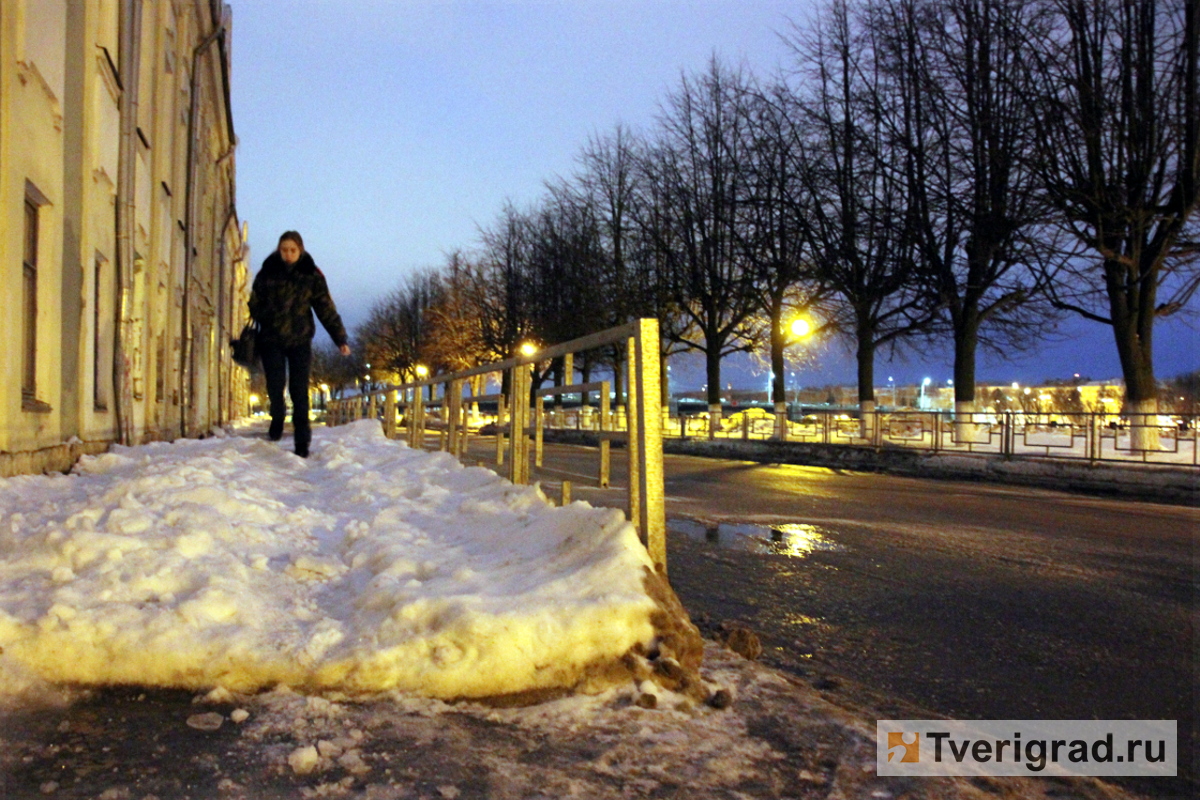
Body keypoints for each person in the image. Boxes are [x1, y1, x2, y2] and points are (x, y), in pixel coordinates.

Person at [248, 231, 351, 458]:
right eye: (284, 250)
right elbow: (254, 302)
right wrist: (266, 313)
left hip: (300, 339)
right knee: (275, 385)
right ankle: (277, 417)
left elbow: (325, 308)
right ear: (278, 249)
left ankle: (302, 442)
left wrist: (340, 339)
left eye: (292, 250)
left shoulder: (311, 274)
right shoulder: (267, 271)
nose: (288, 254)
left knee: (299, 390)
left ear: (300, 250)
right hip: (271, 339)